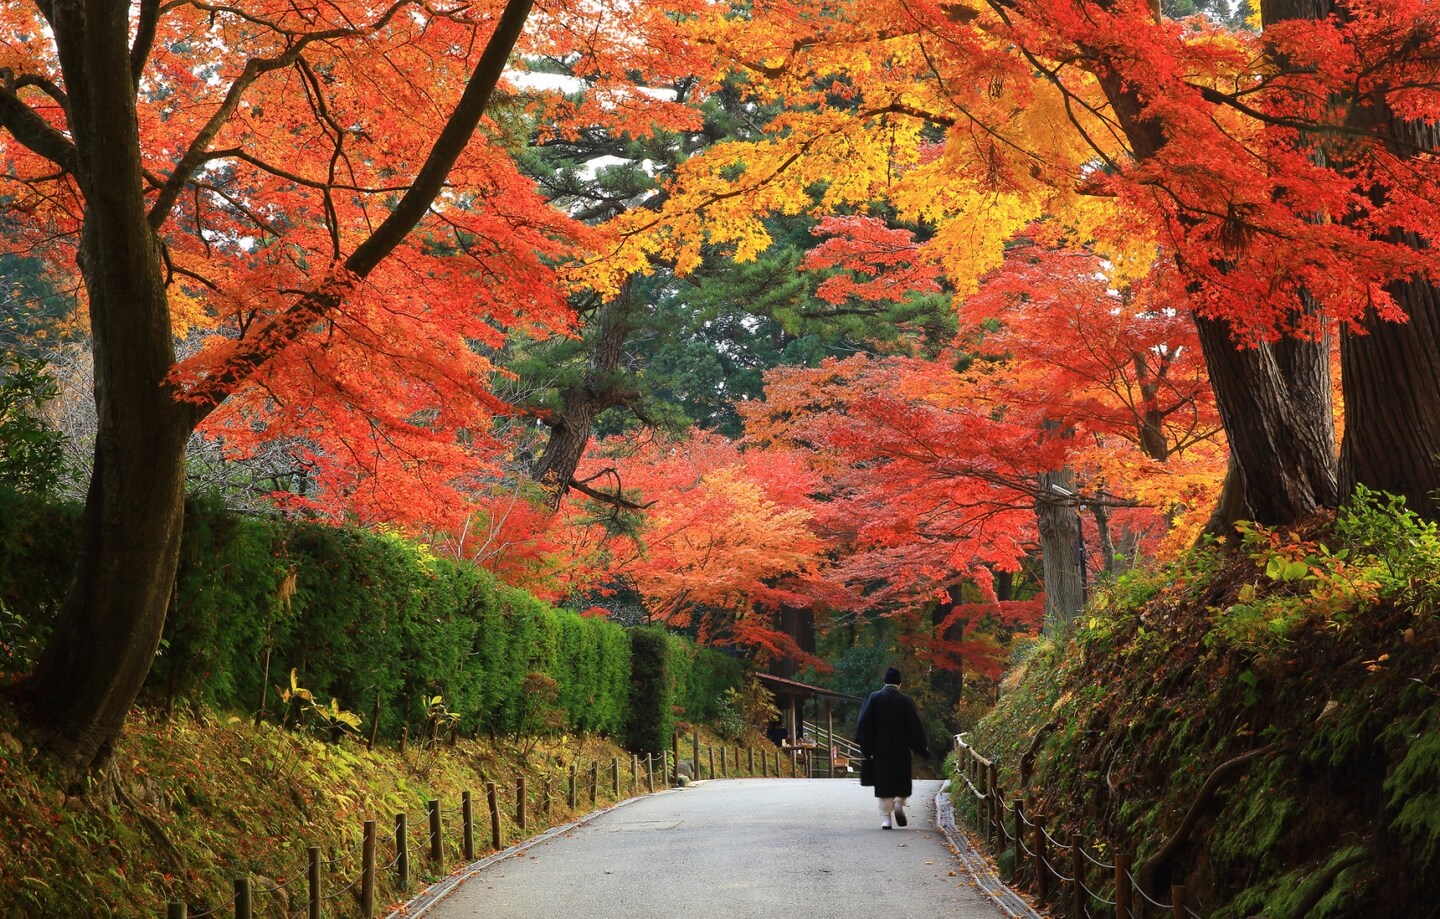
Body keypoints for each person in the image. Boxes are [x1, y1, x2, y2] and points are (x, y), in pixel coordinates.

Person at [854, 665, 929, 829]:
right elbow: (915, 727)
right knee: (901, 779)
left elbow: (864, 723)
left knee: (883, 782)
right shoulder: (906, 701)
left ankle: (886, 819)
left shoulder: (874, 698)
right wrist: (920, 748)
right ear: (899, 684)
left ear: (884, 681)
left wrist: (866, 748)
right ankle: (899, 803)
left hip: (880, 749)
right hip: (901, 748)